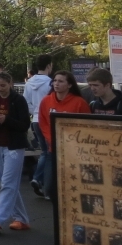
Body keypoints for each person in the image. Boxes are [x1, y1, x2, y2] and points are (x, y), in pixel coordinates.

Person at [0, 71, 31, 232]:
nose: (0, 88)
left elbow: (24, 125)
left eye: (3, 85)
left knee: (9, 183)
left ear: (10, 84)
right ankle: (21, 218)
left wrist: (6, 120)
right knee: (7, 184)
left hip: (14, 146)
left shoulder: (18, 100)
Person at [38, 70, 92, 200]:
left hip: (74, 151)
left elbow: (87, 125)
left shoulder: (79, 102)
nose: (56, 84)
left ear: (69, 85)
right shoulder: (46, 101)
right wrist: (52, 139)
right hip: (53, 149)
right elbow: (43, 121)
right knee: (49, 189)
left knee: (73, 187)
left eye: (61, 81)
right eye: (55, 81)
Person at [24, 54, 53, 197]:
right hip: (48, 119)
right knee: (49, 153)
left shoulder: (29, 82)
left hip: (35, 119)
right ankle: (40, 178)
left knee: (45, 152)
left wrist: (35, 111)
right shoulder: (51, 83)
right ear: (49, 66)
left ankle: (39, 179)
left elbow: (26, 102)